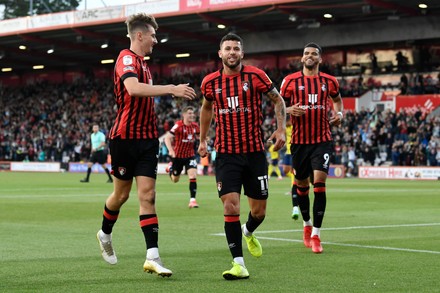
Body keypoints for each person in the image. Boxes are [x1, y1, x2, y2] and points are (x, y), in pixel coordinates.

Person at [96, 13, 196, 277]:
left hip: (147, 140)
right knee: (121, 196)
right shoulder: (126, 58)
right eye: (152, 35)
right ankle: (104, 234)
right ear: (139, 35)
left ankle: (153, 256)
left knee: (148, 196)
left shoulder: (145, 64)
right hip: (123, 139)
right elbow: (133, 89)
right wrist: (171, 88)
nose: (156, 39)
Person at [198, 33, 286, 280]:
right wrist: (203, 139)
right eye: (228, 48)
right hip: (226, 154)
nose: (232, 52)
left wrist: (280, 129)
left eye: (236, 48)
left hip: (255, 153)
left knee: (258, 212)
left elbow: (277, 99)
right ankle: (238, 264)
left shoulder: (255, 76)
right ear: (220, 54)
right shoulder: (210, 82)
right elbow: (206, 108)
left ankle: (248, 231)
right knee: (230, 205)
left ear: (242, 53)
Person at [280, 42, 343, 254]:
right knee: (302, 185)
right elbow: (277, 105)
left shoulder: (329, 81)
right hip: (298, 142)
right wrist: (289, 109)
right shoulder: (289, 81)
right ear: (301, 58)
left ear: (320, 59)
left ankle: (316, 233)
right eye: (306, 53)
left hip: (322, 139)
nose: (310, 56)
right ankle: (306, 225)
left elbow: (337, 100)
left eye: (314, 54)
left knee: (320, 183)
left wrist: (339, 114)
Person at [164, 106, 200, 208]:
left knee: (192, 176)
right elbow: (167, 137)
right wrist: (171, 150)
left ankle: (192, 200)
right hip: (178, 156)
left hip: (190, 156)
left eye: (193, 113)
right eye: (189, 113)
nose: (192, 115)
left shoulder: (195, 126)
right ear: (184, 114)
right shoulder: (178, 125)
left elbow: (199, 135)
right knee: (175, 179)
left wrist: (203, 141)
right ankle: (171, 168)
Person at [281, 117, 299, 220]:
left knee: (294, 177)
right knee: (285, 170)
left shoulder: (294, 127)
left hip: (294, 153)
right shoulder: (285, 128)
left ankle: (295, 207)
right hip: (288, 152)